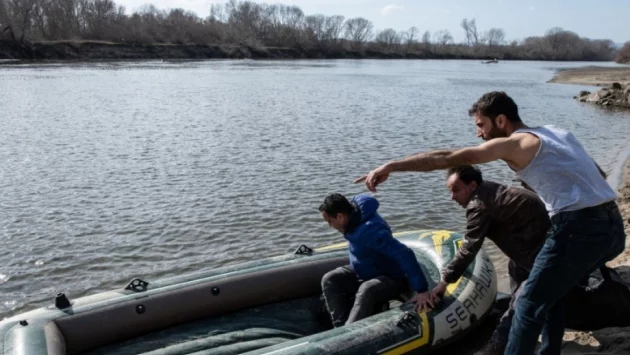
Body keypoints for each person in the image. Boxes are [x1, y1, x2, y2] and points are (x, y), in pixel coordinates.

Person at [354, 91, 626, 355]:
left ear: (501, 121)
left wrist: (391, 165)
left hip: (578, 229)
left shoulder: (516, 142)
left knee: (529, 303)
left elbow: (448, 157)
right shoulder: (557, 133)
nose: (479, 133)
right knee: (547, 294)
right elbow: (598, 175)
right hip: (613, 228)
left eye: (481, 125)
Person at [429, 165, 550, 355]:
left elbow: (469, 248)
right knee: (516, 274)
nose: (452, 197)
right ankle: (524, 326)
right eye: (450, 191)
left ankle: (498, 344)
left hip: (539, 253)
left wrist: (445, 281)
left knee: (522, 299)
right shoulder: (490, 189)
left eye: (456, 190)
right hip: (529, 247)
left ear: (472, 185)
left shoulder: (478, 206)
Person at [318, 193, 433, 327]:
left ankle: (349, 333)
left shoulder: (371, 231)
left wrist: (422, 290)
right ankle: (339, 327)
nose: (330, 226)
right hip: (364, 270)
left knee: (367, 289)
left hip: (391, 278)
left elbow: (404, 253)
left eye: (329, 221)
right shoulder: (353, 216)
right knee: (330, 278)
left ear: (340, 217)